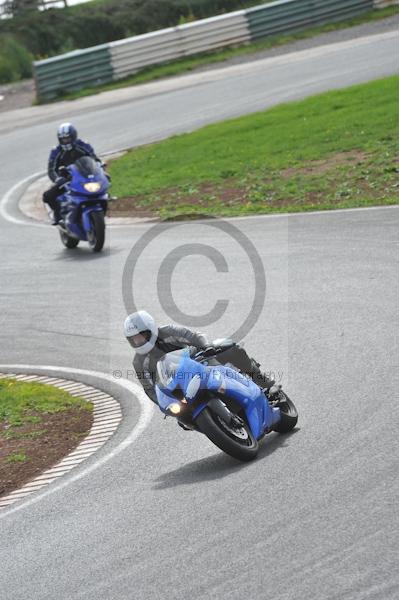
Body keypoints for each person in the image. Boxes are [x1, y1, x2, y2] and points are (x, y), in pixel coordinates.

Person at [124, 310, 280, 406]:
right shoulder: (138, 362)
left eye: (142, 336)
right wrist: (165, 404)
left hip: (199, 364)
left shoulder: (168, 331)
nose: (139, 341)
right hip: (180, 386)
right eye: (134, 339)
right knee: (182, 417)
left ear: (151, 328)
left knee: (230, 347)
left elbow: (194, 336)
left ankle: (264, 383)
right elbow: (150, 389)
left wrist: (206, 346)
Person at [43, 123, 101, 224]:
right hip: (66, 179)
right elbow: (51, 169)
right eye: (63, 139)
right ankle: (58, 215)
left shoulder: (83, 145)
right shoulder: (56, 151)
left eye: (67, 139)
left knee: (104, 183)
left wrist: (99, 167)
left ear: (74, 136)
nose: (65, 141)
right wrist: (58, 179)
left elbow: (95, 159)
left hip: (85, 176)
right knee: (48, 196)